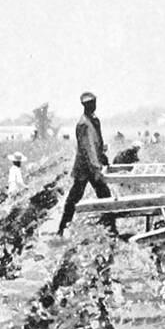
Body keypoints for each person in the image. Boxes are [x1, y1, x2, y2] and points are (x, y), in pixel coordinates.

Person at [57, 91, 112, 234]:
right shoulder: (83, 124)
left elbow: (96, 144)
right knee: (76, 197)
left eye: (94, 103)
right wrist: (96, 168)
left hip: (91, 166)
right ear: (85, 105)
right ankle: (63, 227)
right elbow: (88, 149)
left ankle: (110, 226)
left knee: (103, 195)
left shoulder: (93, 120)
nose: (93, 106)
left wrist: (102, 156)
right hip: (85, 167)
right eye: (90, 104)